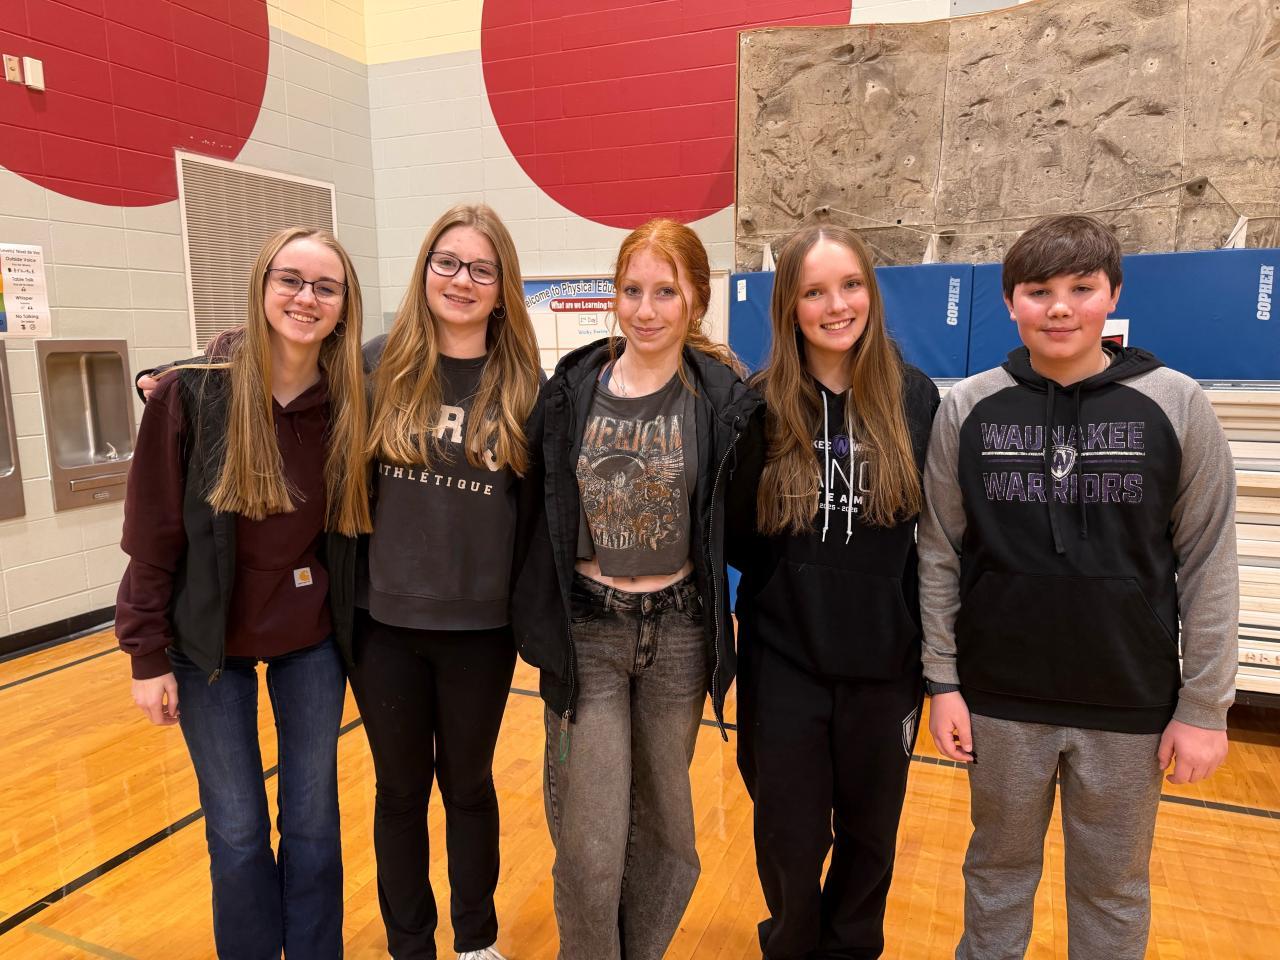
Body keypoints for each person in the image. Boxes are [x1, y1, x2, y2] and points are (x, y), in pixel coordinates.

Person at [919, 214, 1239, 959]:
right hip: (999, 701)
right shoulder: (966, 408)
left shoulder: (1177, 403)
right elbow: (938, 554)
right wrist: (943, 682)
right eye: (1038, 291)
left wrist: (1205, 706)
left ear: (1113, 295)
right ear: (1010, 303)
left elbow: (1208, 559)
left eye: (1081, 288)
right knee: (995, 876)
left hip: (1129, 703)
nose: (1060, 308)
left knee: (1113, 890)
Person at [116, 226, 372, 958]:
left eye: (326, 287)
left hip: (309, 641)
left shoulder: (351, 402)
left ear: (344, 305)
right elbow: (153, 532)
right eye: (291, 279)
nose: (306, 297)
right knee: (235, 828)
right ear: (262, 285)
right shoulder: (192, 393)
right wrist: (145, 655)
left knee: (313, 822)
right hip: (206, 647)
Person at [510, 218, 761, 960]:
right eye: (631, 290)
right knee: (590, 841)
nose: (645, 310)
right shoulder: (572, 391)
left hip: (678, 633)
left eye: (665, 292)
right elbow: (532, 507)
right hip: (590, 631)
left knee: (667, 836)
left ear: (696, 301)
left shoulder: (722, 399)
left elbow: (742, 519)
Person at [727, 224, 939, 959]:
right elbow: (737, 535)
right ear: (789, 306)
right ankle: (790, 945)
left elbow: (935, 538)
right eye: (814, 292)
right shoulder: (758, 407)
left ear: (870, 293)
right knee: (788, 835)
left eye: (850, 285)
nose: (836, 305)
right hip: (785, 662)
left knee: (870, 836)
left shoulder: (914, 397)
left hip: (885, 664)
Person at [349, 203, 541, 960]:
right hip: (384, 625)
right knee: (399, 792)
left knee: (468, 786)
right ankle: (410, 944)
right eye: (448, 263)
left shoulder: (526, 384)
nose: (462, 280)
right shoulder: (374, 364)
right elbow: (279, 373)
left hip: (481, 630)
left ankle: (475, 939)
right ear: (426, 268)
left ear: (503, 286)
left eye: (481, 269)